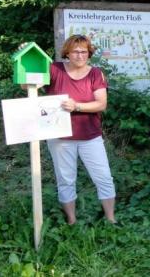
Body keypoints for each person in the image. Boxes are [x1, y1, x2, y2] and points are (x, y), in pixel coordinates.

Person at [44, 34, 117, 224]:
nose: (80, 55)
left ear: (89, 53)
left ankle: (111, 220)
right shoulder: (54, 70)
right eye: (75, 51)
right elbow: (27, 84)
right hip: (60, 137)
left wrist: (77, 106)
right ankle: (72, 221)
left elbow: (101, 104)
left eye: (84, 51)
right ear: (67, 52)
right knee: (66, 180)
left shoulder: (95, 73)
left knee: (104, 178)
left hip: (90, 136)